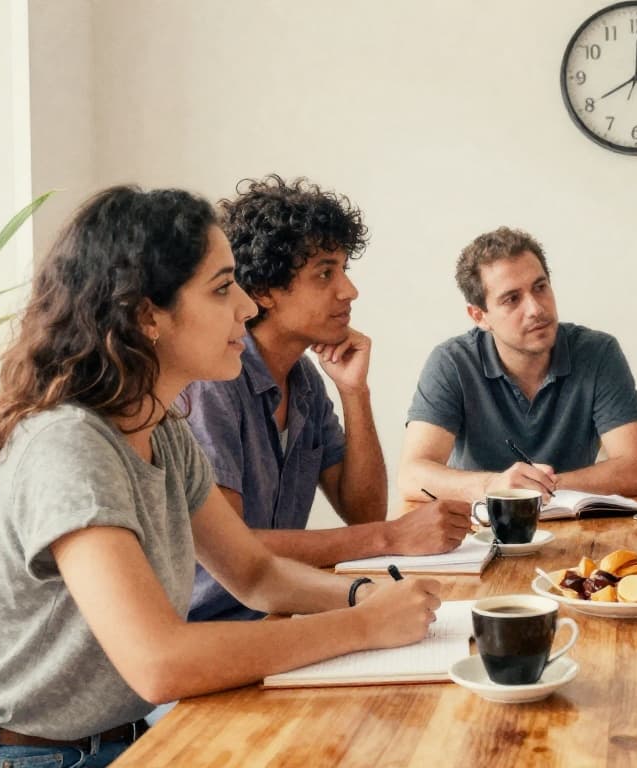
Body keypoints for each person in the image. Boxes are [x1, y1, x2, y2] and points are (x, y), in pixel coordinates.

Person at [0, 187, 441, 767]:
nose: (246, 306)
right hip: (27, 759)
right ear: (147, 316)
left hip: (118, 739)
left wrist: (364, 593)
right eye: (223, 288)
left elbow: (255, 572)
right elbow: (159, 661)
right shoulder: (69, 444)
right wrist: (363, 625)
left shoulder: (161, 428)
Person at [184, 176, 469, 622]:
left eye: (344, 269)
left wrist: (355, 392)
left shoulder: (305, 381)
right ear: (263, 291)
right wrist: (390, 538)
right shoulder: (212, 387)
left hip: (279, 615)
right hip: (211, 631)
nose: (349, 290)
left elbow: (362, 510)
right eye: (324, 273)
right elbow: (237, 546)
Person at [399, 226, 637, 503]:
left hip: (577, 522)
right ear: (479, 316)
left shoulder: (598, 352)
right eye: (512, 299)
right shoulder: (452, 361)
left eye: (540, 287)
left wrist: (540, 488)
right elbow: (412, 475)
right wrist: (495, 485)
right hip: (483, 530)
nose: (536, 309)